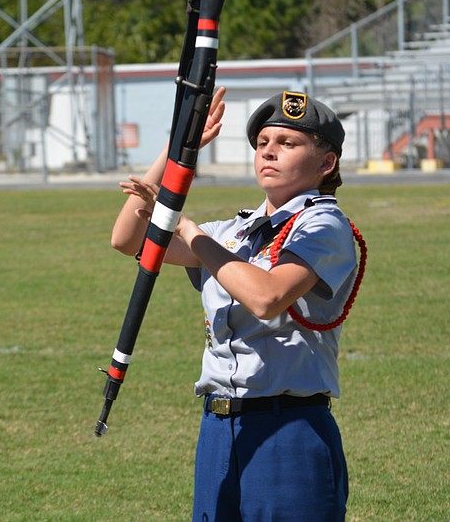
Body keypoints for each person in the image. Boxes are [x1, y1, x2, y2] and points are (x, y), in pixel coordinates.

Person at [111, 88, 357, 521]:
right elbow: (128, 240)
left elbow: (267, 297)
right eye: (262, 143)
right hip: (219, 427)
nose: (269, 152)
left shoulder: (325, 225)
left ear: (326, 163)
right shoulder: (231, 233)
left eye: (288, 143)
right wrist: (177, 149)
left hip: (288, 428)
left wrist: (187, 229)